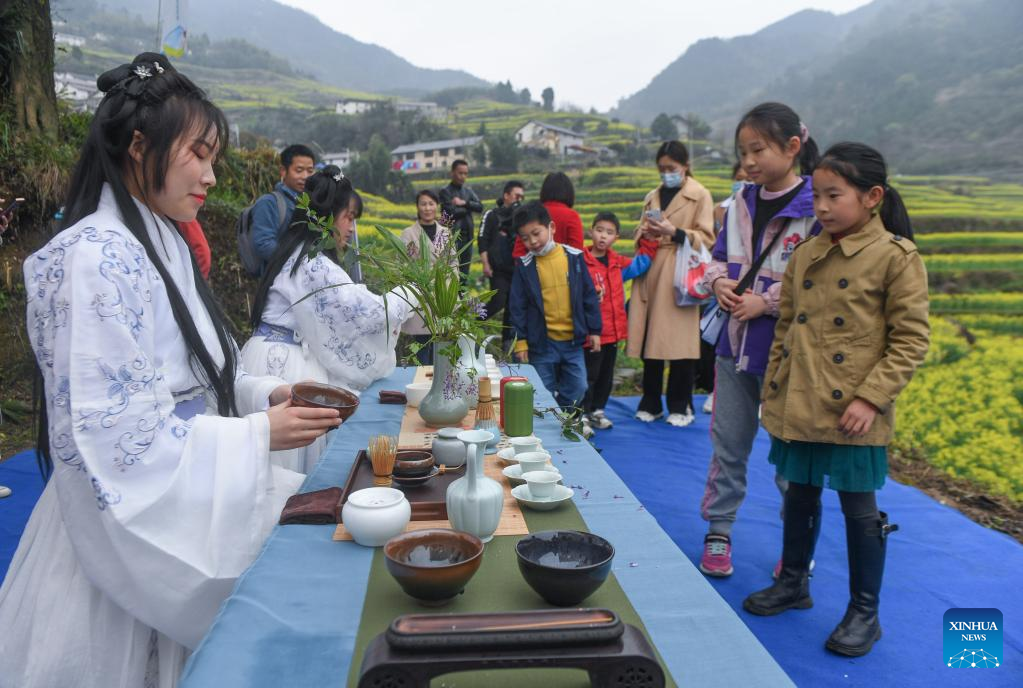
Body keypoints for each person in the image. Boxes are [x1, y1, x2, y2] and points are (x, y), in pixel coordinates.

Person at [0, 54, 340, 687]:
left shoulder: (159, 240)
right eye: (200, 154)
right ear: (138, 146)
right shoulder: (95, 258)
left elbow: (196, 375)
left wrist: (271, 393)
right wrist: (260, 433)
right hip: (116, 547)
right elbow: (114, 439)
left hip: (183, 498)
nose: (211, 175)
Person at [744, 142, 929, 658]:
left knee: (858, 508)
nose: (821, 207)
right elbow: (785, 328)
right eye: (817, 195)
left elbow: (910, 339)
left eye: (833, 195)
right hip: (798, 400)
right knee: (798, 493)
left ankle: (864, 613)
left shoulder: (896, 258)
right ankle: (794, 583)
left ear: (872, 197)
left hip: (853, 410)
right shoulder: (806, 252)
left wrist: (871, 400)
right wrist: (774, 385)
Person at [697, 102, 822, 578]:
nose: (749, 161)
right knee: (728, 444)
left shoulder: (815, 207)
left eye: (758, 149)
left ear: (793, 147)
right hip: (734, 345)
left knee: (790, 453)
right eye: (743, 151)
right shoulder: (737, 205)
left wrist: (766, 302)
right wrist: (718, 284)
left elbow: (817, 281)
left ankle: (797, 551)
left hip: (788, 354)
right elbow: (717, 258)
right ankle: (718, 531)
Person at [242, 167, 417, 474]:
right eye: (348, 217)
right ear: (326, 216)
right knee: (287, 469)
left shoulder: (296, 253)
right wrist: (415, 293)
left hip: (270, 357)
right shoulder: (313, 263)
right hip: (283, 366)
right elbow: (371, 312)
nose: (352, 228)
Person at [627, 141, 714, 427]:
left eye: (671, 168)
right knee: (651, 340)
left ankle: (680, 404)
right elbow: (638, 230)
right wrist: (647, 233)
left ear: (685, 166)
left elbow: (707, 238)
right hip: (651, 271)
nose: (666, 174)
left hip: (680, 273)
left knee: (680, 345)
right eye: (662, 169)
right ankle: (650, 402)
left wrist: (673, 231)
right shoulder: (652, 195)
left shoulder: (699, 194)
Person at [509, 201, 602, 410]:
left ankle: (563, 416)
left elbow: (588, 296)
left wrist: (595, 330)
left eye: (536, 233)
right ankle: (549, 424)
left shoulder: (573, 258)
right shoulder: (524, 267)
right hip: (542, 343)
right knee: (543, 389)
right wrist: (520, 341)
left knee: (579, 386)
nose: (533, 241)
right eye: (525, 238)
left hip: (572, 342)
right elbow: (518, 307)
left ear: (551, 228)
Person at [581, 212, 658, 434]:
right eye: (599, 230)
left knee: (606, 375)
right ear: (591, 232)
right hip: (592, 334)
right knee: (589, 375)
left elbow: (641, 264)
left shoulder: (617, 263)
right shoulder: (582, 263)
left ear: (616, 238)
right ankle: (583, 413)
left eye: (609, 232)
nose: (603, 236)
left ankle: (598, 411)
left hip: (613, 333)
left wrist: (649, 241)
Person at [399, 188, 457, 365]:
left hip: (442, 296)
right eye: (423, 203)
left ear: (437, 206)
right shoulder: (408, 233)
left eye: (431, 203)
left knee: (442, 346)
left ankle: (440, 384)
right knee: (422, 347)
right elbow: (403, 265)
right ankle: (422, 385)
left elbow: (453, 264)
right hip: (421, 295)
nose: (427, 208)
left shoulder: (446, 233)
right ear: (417, 206)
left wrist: (452, 289)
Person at [250, 143, 317, 273]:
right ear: (283, 171)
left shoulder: (312, 203)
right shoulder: (269, 203)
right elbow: (263, 245)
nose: (305, 176)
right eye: (299, 170)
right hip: (278, 284)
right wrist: (301, 262)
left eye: (310, 171)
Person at [478, 179, 525, 348]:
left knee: (512, 309)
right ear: (506, 195)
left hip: (516, 269)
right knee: (497, 302)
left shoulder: (520, 217)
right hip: (497, 270)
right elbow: (482, 239)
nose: (519, 200)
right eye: (516, 196)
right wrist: (485, 263)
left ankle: (507, 346)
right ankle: (471, 320)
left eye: (522, 197)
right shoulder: (491, 214)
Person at [512, 171, 585, 258]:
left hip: (533, 269)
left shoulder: (532, 214)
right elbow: (577, 251)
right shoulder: (572, 216)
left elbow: (519, 252)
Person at [438, 159, 483, 281]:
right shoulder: (445, 191)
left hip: (468, 238)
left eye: (465, 173)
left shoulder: (468, 191)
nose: (463, 176)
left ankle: (461, 298)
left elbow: (480, 206)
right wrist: (468, 207)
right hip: (453, 238)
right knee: (451, 274)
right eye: (460, 173)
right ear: (452, 173)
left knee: (464, 275)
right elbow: (449, 213)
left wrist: (463, 203)